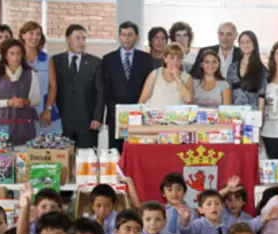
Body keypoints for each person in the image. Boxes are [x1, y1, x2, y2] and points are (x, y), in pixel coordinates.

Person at [104, 21, 153, 152]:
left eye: (130, 35)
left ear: (136, 37)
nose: (126, 38)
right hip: (116, 116)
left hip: (139, 114)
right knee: (116, 153)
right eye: (123, 34)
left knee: (137, 151)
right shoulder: (108, 59)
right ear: (119, 36)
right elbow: (106, 89)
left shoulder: (146, 59)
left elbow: (148, 88)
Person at [53, 24, 104, 149]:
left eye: (83, 38)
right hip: (62, 122)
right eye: (77, 38)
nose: (81, 42)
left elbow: (100, 92)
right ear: (67, 40)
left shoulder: (95, 63)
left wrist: (98, 118)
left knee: (86, 162)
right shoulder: (55, 61)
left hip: (87, 123)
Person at [0, 39, 40, 147]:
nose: (15, 57)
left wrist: (26, 102)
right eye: (12, 53)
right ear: (5, 55)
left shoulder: (31, 74)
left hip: (25, 127)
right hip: (2, 126)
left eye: (19, 53)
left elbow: (36, 100)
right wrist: (8, 103)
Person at [19, 21, 59, 130]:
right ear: (22, 35)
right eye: (31, 33)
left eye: (38, 34)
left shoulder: (47, 58)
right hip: (22, 113)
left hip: (45, 112)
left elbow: (53, 86)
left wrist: (48, 109)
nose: (35, 37)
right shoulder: (16, 59)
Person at [139, 43, 194, 109]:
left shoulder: (187, 78)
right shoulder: (155, 74)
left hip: (177, 118)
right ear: (165, 59)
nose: (175, 62)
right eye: (172, 58)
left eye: (179, 58)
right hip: (154, 117)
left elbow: (188, 99)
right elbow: (142, 100)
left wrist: (177, 78)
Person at [227, 31, 266, 111]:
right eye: (242, 42)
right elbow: (228, 92)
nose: (245, 45)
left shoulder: (262, 69)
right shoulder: (232, 67)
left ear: (254, 44)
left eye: (248, 42)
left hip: (252, 116)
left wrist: (259, 120)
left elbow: (261, 98)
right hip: (234, 115)